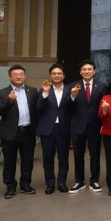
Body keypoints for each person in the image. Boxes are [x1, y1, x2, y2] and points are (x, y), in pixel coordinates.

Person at [0, 65, 38, 199]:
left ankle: (25, 185)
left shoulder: (32, 91)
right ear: (9, 77)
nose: (18, 76)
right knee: (9, 162)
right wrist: (9, 101)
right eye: (15, 74)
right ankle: (10, 187)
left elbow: (36, 111)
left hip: (28, 132)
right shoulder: (1, 93)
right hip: (10, 133)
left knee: (27, 161)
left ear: (25, 76)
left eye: (21, 74)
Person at [66, 59, 107, 193]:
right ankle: (79, 181)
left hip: (95, 126)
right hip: (78, 126)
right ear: (80, 72)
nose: (87, 71)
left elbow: (104, 107)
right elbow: (67, 106)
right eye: (84, 69)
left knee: (95, 154)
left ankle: (94, 181)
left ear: (94, 71)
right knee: (78, 155)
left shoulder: (101, 86)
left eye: (89, 69)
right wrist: (72, 96)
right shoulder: (73, 86)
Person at [36, 63, 72, 194]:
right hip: (48, 129)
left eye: (59, 73)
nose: (56, 75)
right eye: (54, 73)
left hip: (63, 128)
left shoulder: (69, 89)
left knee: (63, 158)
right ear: (50, 75)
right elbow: (39, 107)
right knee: (48, 159)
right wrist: (45, 92)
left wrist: (73, 96)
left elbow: (73, 108)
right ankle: (50, 183)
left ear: (63, 75)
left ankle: (62, 182)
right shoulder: (44, 89)